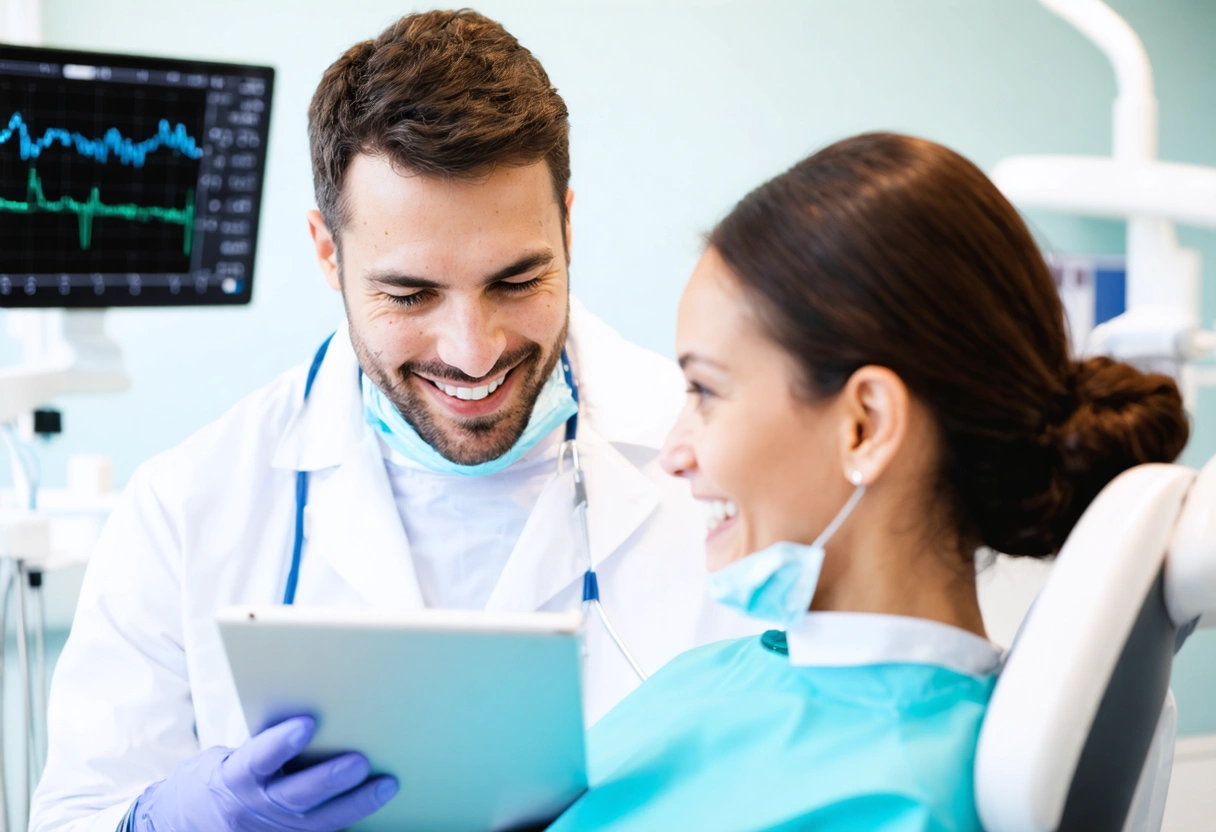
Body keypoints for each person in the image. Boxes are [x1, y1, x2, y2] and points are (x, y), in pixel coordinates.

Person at [30, 11, 752, 832]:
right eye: (410, 295)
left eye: (517, 281)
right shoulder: (187, 507)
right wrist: (169, 824)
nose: (473, 351)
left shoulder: (731, 462)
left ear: (568, 226)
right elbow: (74, 818)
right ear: (328, 254)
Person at [547, 132, 1191, 831]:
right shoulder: (723, 672)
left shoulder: (902, 803)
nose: (675, 453)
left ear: (866, 424)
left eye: (706, 390)